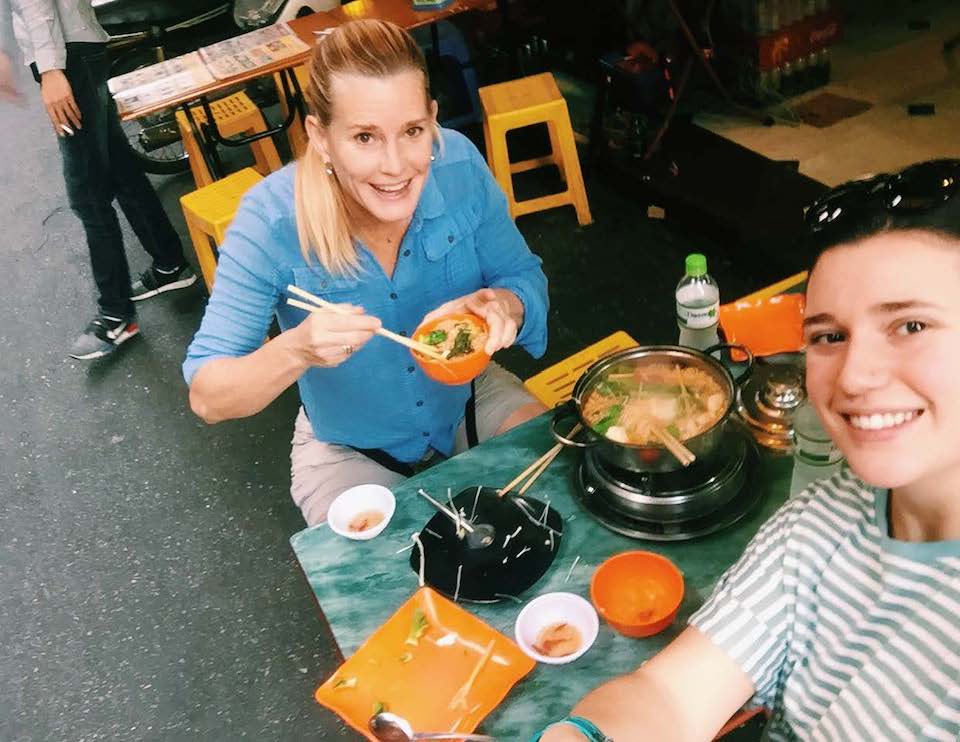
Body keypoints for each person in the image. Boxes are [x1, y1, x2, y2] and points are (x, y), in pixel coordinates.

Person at [535, 160, 960, 742]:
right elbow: (670, 696)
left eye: (911, 326)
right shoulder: (830, 512)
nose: (854, 377)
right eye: (829, 336)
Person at [183, 19, 549, 526]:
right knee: (389, 592)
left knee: (558, 499)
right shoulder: (269, 219)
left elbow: (523, 275)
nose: (396, 166)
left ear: (432, 120)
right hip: (349, 448)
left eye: (413, 131)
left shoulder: (459, 164)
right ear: (321, 136)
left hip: (469, 398)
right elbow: (207, 395)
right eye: (364, 137)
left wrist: (506, 305)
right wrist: (297, 349)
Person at [11, 0, 197, 360]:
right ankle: (170, 263)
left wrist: (50, 70)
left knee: (87, 194)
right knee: (121, 170)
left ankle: (116, 315)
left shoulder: (58, 61)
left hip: (67, 57)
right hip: (76, 50)